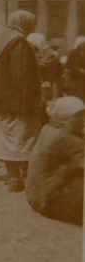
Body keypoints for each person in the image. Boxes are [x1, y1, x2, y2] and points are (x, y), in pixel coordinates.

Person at [0, 10, 42, 192]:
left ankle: (12, 177)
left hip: (1, 101)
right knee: (26, 140)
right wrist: (33, 101)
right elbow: (23, 75)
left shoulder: (3, 40)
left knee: (7, 142)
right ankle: (24, 178)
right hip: (18, 102)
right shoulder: (19, 42)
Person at [26, 96, 84, 226]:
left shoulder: (48, 129)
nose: (83, 120)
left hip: (37, 196)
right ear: (64, 119)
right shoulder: (65, 138)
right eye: (78, 117)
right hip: (49, 200)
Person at [65, 36, 85, 102]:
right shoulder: (73, 53)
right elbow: (69, 65)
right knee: (76, 96)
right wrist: (79, 70)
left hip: (83, 79)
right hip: (75, 78)